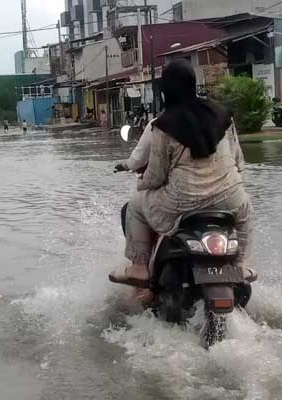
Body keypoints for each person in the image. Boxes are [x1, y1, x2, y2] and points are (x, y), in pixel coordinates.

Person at [109, 59, 255, 288]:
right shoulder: (223, 115)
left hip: (184, 200)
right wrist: (236, 186)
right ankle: (242, 263)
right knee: (246, 207)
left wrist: (141, 186)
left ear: (165, 91)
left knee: (136, 205)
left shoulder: (162, 124)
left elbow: (156, 175)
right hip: (230, 197)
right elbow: (238, 161)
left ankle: (139, 268)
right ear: (193, 84)